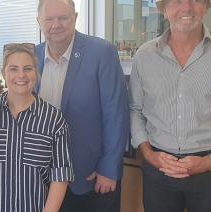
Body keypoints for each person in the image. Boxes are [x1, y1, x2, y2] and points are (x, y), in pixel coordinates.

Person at [129, 0, 211, 211]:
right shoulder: (144, 55)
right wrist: (149, 155)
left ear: (206, 6)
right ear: (164, 10)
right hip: (159, 170)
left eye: (195, 0)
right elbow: (135, 111)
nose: (186, 8)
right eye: (176, 1)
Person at [35, 0, 130, 211]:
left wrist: (109, 168)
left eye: (63, 18)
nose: (56, 24)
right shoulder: (32, 56)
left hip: (92, 177)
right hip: (45, 180)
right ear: (39, 21)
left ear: (75, 18)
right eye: (49, 19)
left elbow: (116, 114)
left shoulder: (101, 52)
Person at [0, 43, 73, 212]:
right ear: (3, 73)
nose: (21, 75)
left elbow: (60, 176)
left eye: (28, 68)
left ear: (37, 73)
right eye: (13, 69)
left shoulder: (53, 119)